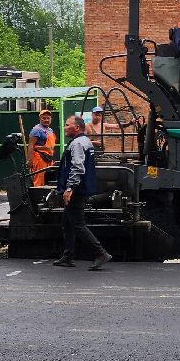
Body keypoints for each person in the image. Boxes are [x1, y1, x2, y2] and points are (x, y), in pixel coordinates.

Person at [53, 114, 111, 271]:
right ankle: (67, 256)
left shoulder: (78, 144)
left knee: (78, 224)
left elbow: (78, 167)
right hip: (82, 188)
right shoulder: (85, 141)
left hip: (77, 190)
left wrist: (70, 188)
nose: (64, 127)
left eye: (67, 124)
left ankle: (100, 253)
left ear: (76, 127)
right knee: (67, 223)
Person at [27, 109, 56, 182]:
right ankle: (38, 193)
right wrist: (29, 160)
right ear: (40, 118)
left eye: (48, 118)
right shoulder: (36, 130)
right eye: (44, 118)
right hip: (39, 159)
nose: (46, 120)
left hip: (49, 159)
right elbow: (31, 145)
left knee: (49, 179)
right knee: (40, 179)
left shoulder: (50, 130)